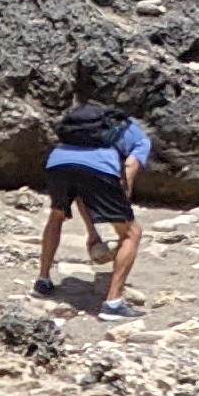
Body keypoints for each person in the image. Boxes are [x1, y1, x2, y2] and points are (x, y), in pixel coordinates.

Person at [35, 94, 152, 310]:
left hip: (56, 163)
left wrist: (93, 233)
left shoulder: (80, 128)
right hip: (98, 168)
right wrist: (122, 215)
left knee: (57, 215)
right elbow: (129, 169)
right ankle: (113, 303)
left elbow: (82, 196)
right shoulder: (140, 140)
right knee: (132, 233)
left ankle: (43, 280)